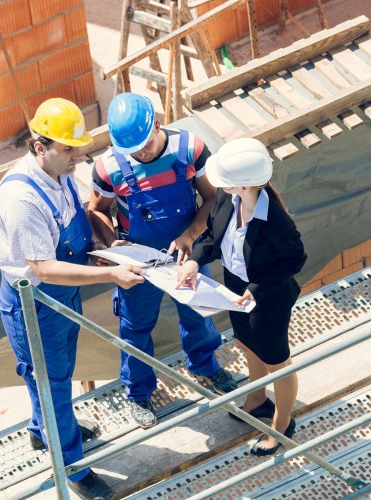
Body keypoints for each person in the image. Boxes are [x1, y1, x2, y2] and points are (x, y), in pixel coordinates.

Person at [0, 97, 145, 499]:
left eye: (79, 147)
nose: (78, 156)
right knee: (53, 383)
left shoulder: (59, 173)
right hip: (36, 304)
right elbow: (43, 268)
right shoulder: (22, 199)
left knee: (53, 375)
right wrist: (110, 273)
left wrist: (102, 247)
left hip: (62, 297)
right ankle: (74, 469)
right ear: (39, 147)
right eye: (68, 149)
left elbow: (76, 224)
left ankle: (42, 430)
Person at [87, 92, 237, 429]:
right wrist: (112, 246)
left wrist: (191, 235)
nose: (139, 154)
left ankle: (206, 367)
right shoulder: (108, 167)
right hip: (138, 264)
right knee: (135, 328)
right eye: (132, 150)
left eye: (144, 146)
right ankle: (138, 393)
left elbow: (212, 198)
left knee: (197, 314)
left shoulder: (190, 149)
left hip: (185, 255)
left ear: (157, 124)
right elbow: (96, 210)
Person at [176, 137, 307, 456]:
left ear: (245, 185)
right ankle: (257, 398)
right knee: (246, 342)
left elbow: (294, 260)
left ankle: (282, 424)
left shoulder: (275, 220)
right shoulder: (226, 196)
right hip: (234, 289)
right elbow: (213, 237)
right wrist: (194, 261)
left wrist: (254, 291)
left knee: (277, 362)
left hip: (267, 298)